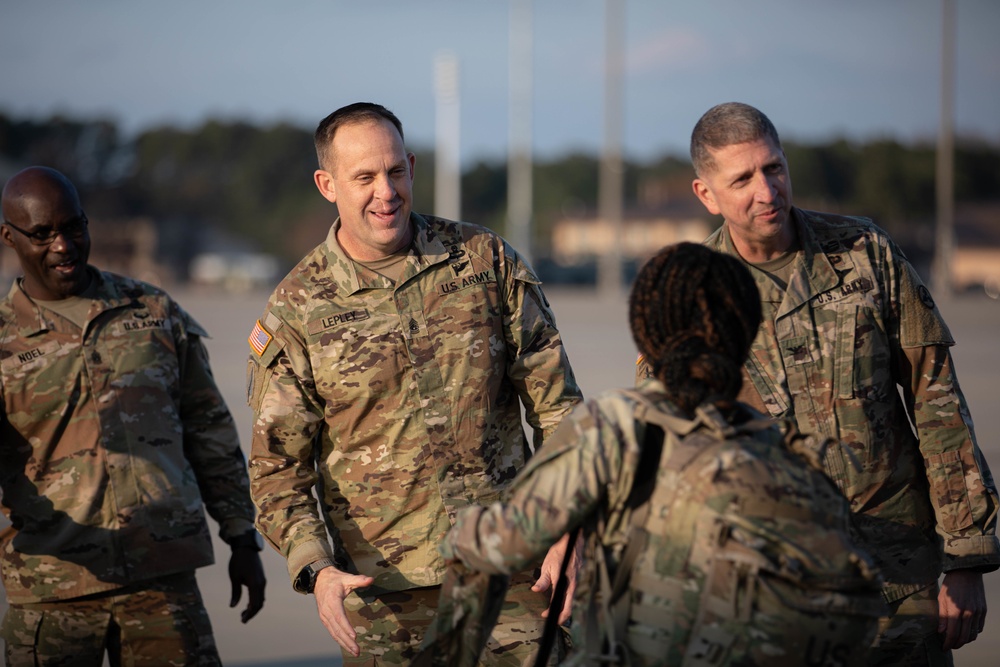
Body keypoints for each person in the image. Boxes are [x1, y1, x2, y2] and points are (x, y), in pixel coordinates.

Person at [636, 101, 1000, 665]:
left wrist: (967, 556)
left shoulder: (864, 253)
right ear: (706, 194)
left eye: (773, 168)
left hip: (895, 582)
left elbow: (938, 403)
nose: (767, 190)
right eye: (742, 179)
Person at [432, 242, 886, 666]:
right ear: (746, 335)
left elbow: (502, 543)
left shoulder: (614, 425)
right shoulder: (789, 448)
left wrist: (459, 535)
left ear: (645, 334)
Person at [246, 102, 583, 665]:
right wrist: (317, 568)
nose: (387, 191)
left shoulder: (484, 261)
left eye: (396, 171)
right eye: (365, 177)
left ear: (412, 167)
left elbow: (559, 410)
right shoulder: (297, 309)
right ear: (327, 184)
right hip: (384, 601)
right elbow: (277, 468)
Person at [0, 166, 266, 666]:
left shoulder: (152, 310)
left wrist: (241, 536)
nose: (63, 246)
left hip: (163, 583)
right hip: (53, 593)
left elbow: (209, 429)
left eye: (73, 227)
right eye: (41, 234)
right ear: (9, 237)